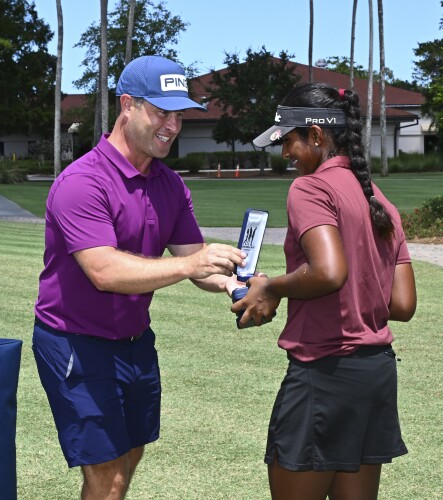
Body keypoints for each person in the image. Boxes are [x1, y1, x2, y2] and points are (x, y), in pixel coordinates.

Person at [32, 55, 246, 499]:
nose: (171, 124)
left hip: (134, 342)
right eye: (160, 111)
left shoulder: (168, 183)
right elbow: (104, 271)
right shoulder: (83, 182)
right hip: (76, 343)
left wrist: (232, 281)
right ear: (127, 105)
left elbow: (194, 259)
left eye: (178, 114)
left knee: (130, 455)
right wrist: (191, 265)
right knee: (107, 477)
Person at [235, 82, 417, 500]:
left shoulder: (310, 188)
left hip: (324, 374)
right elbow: (403, 305)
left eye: (289, 142)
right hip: (375, 375)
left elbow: (329, 271)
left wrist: (272, 287)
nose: (285, 154)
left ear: (316, 135)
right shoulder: (380, 202)